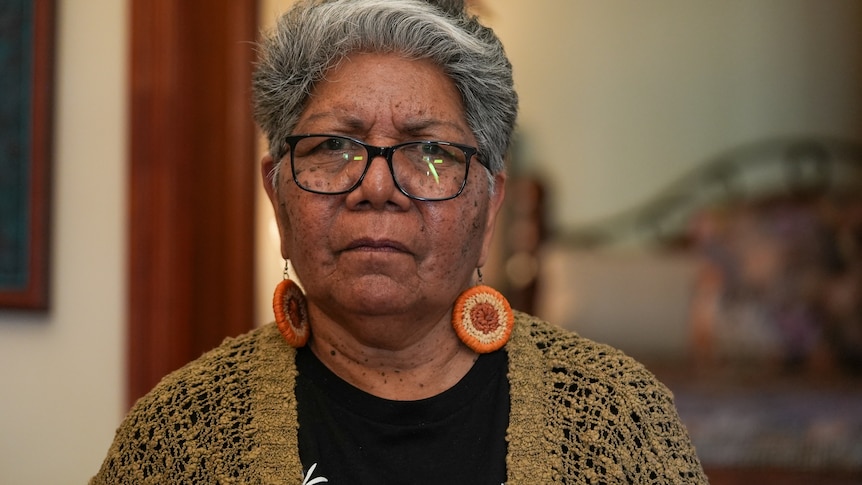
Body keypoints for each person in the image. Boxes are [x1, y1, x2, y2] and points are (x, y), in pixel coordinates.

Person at [92, 0, 707, 483]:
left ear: (489, 204)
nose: (378, 187)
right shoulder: (180, 434)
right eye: (335, 145)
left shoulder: (617, 421)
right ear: (278, 197)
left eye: (430, 152)